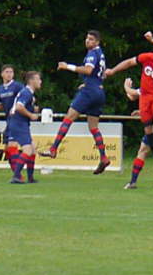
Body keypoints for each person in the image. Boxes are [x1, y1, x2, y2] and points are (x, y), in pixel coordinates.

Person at [104, 32, 153, 185]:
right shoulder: (147, 57)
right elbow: (129, 63)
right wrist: (113, 70)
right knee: (148, 131)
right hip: (145, 99)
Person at [40, 30, 110, 175]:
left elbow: (89, 70)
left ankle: (53, 149)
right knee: (93, 127)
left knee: (68, 118)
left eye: (91, 39)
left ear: (97, 42)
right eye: (87, 38)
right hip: (99, 92)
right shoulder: (101, 54)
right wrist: (89, 84)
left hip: (90, 92)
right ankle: (103, 157)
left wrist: (68, 66)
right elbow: (100, 74)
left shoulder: (92, 54)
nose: (87, 41)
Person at [6, 71, 42, 184]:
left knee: (33, 149)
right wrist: (31, 115)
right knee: (28, 150)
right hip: (19, 123)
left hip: (19, 123)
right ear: (31, 81)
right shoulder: (26, 92)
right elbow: (19, 107)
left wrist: (32, 109)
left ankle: (30, 178)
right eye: (38, 79)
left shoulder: (28, 94)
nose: (40, 81)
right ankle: (16, 176)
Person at [0, 64, 24, 162]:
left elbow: (27, 98)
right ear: (2, 74)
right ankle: (17, 172)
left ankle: (18, 174)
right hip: (9, 120)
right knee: (7, 150)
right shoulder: (0, 88)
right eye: (7, 72)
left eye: (11, 72)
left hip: (17, 119)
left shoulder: (17, 86)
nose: (9, 74)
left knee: (12, 146)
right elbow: (0, 104)